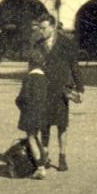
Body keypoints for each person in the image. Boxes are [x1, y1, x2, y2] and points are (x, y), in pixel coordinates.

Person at [35, 14, 84, 172]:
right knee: (44, 124)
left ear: (52, 27)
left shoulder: (65, 43)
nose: (41, 31)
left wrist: (80, 88)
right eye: (40, 28)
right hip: (43, 89)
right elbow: (32, 67)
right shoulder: (37, 45)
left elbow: (74, 66)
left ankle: (62, 157)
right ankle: (45, 155)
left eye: (43, 28)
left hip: (61, 89)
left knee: (62, 125)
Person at [14, 47, 48, 179]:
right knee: (36, 136)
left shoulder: (29, 79)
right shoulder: (45, 79)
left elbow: (23, 97)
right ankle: (42, 160)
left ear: (31, 63)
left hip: (30, 113)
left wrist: (19, 104)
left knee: (31, 137)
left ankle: (40, 167)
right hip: (43, 112)